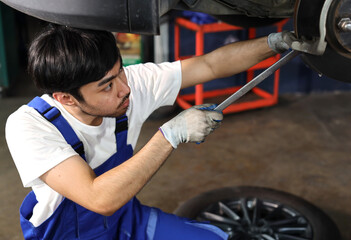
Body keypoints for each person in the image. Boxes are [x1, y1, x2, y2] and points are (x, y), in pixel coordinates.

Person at [5, 24, 293, 239]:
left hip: (128, 221)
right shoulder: (30, 126)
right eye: (107, 85)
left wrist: (274, 43)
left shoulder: (130, 85)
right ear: (66, 98)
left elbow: (210, 64)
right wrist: (169, 134)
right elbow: (99, 199)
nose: (125, 88)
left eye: (119, 71)